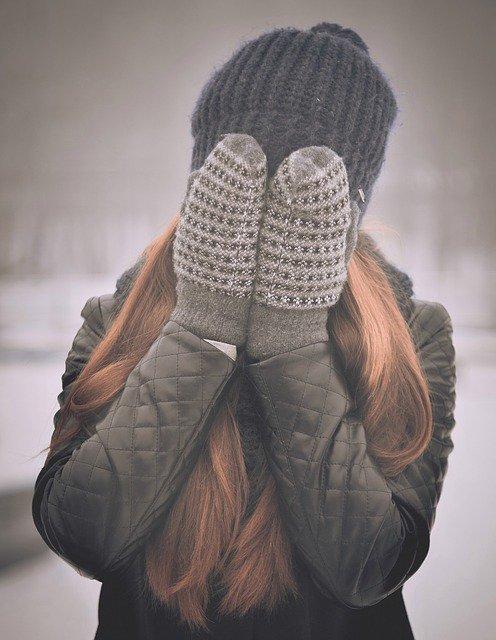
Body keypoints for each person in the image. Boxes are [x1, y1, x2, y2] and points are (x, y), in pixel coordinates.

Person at [32, 23, 456, 640]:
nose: (271, 200)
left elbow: (370, 565)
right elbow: (82, 534)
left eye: (305, 181)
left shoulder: (413, 337)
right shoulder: (117, 318)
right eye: (248, 168)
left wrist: (293, 338)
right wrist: (200, 328)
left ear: (349, 203)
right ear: (204, 181)